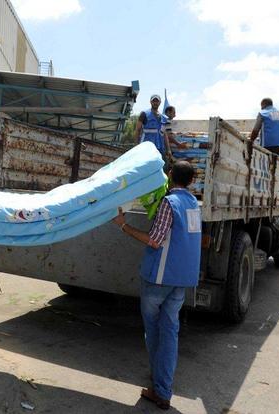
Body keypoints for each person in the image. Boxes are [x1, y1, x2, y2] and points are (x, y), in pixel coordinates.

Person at [112, 161, 201, 410]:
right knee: (170, 331)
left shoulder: (168, 203)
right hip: (182, 280)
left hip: (159, 279)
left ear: (170, 176)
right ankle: (163, 384)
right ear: (192, 181)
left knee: (154, 332)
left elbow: (154, 241)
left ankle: (161, 388)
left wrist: (123, 225)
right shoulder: (194, 204)